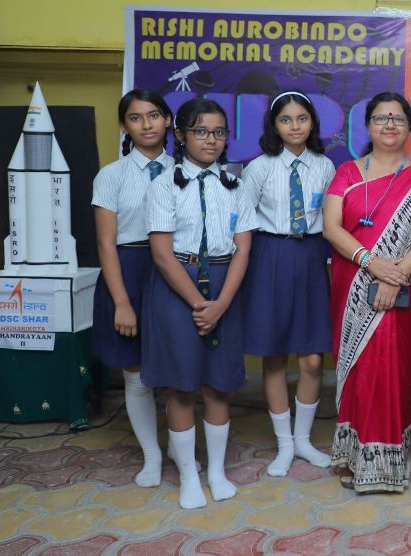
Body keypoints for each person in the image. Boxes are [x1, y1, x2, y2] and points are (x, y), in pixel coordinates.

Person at [143, 98, 258, 509]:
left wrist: (221, 304)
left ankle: (216, 471)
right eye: (202, 131)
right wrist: (200, 304)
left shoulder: (237, 185)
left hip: (225, 285)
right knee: (182, 385)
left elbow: (243, 249)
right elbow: (160, 253)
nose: (212, 140)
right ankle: (189, 474)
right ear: (181, 136)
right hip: (179, 288)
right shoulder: (162, 185)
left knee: (219, 385)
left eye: (219, 132)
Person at [323, 92, 411, 493]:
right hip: (354, 279)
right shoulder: (347, 172)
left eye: (398, 119)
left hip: (406, 284)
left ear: (408, 128)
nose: (389, 125)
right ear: (368, 126)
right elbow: (332, 227)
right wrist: (371, 263)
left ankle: (388, 458)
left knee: (392, 366)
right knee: (359, 366)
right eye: (381, 118)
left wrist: (395, 275)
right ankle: (353, 453)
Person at [241, 91, 336, 477]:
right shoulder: (259, 168)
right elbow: (243, 223)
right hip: (269, 255)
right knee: (275, 354)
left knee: (313, 357)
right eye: (286, 119)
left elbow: (332, 220)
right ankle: (283, 446)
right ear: (274, 125)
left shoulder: (326, 166)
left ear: (312, 122)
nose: (294, 126)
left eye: (301, 118)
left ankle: (303, 441)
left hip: (311, 257)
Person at [91, 88, 173, 487]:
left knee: (176, 366)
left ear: (168, 120)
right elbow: (106, 242)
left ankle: (179, 443)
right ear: (125, 126)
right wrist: (122, 302)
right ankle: (152, 456)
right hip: (128, 268)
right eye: (136, 118)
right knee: (137, 372)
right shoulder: (111, 175)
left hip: (174, 271)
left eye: (154, 115)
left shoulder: (184, 171)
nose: (147, 124)